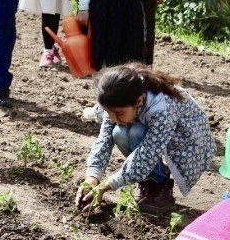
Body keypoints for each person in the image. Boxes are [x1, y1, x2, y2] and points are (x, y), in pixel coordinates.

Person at [75, 63, 215, 213]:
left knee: (136, 132)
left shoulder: (161, 108)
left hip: (189, 141)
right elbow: (104, 140)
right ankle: (149, 181)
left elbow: (147, 154)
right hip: (157, 133)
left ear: (139, 101)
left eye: (119, 114)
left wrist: (105, 187)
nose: (113, 118)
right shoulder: (117, 96)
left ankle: (160, 186)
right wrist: (92, 177)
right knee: (118, 133)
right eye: (109, 113)